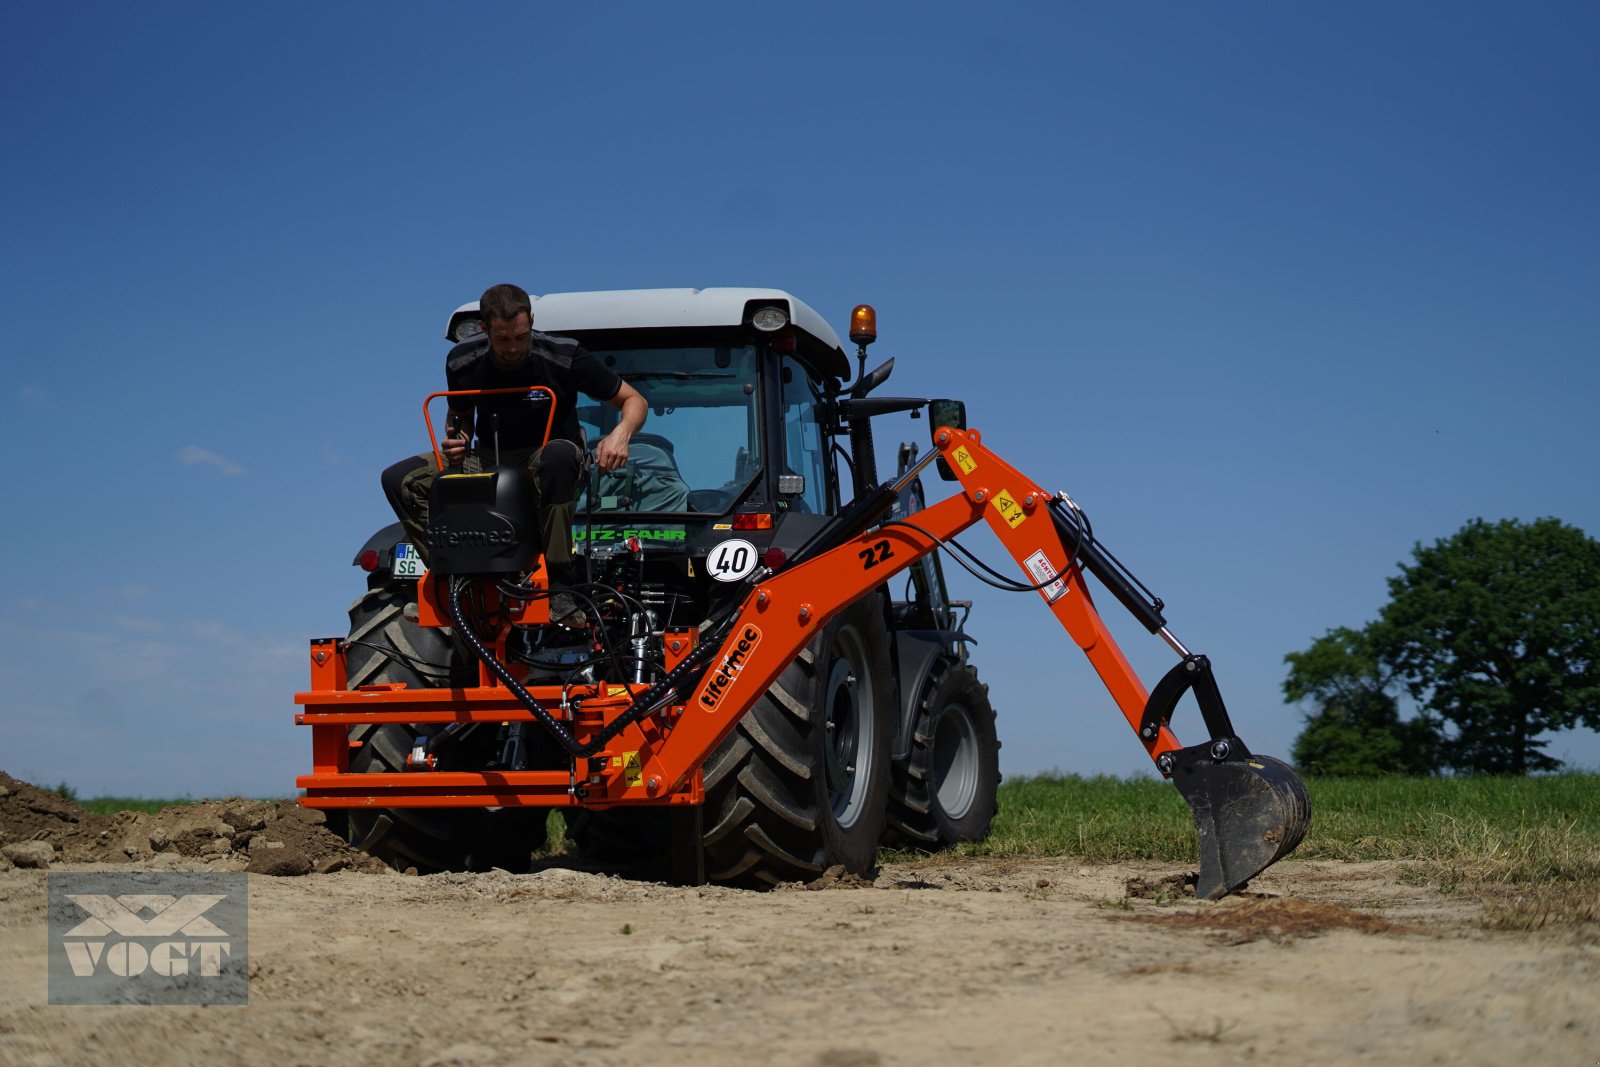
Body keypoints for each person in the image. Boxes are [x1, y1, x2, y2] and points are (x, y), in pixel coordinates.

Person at [382, 283, 647, 624]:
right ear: (484, 329)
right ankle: (450, 576)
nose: (513, 348)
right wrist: (457, 439)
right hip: (489, 458)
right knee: (400, 479)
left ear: (531, 322)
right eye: (503, 339)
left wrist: (619, 435)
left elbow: (634, 400)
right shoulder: (462, 361)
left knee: (559, 457)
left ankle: (561, 590)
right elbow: (460, 414)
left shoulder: (563, 356)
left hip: (548, 460)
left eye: (521, 337)